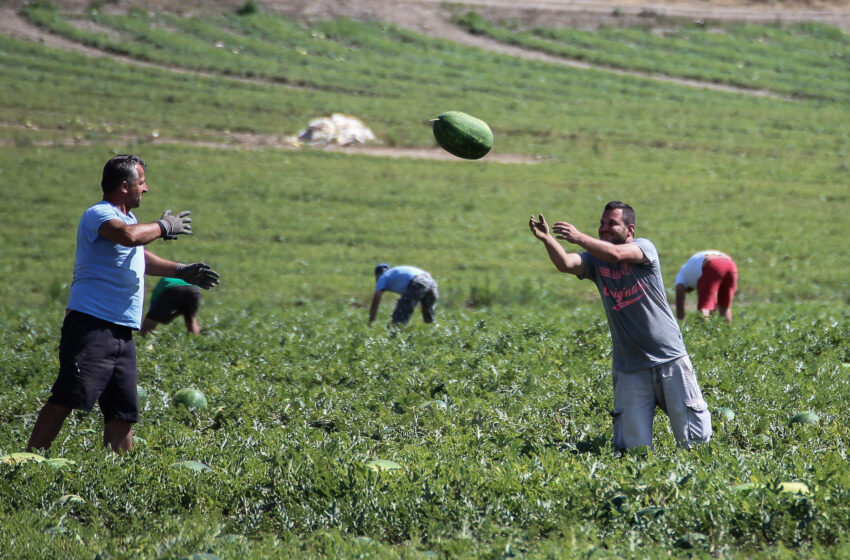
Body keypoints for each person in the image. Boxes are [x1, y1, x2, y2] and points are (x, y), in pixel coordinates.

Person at [26, 154, 219, 454]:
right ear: (125, 186)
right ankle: (29, 459)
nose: (146, 189)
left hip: (122, 332)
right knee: (68, 395)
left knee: (122, 411)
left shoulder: (128, 219)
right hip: (92, 325)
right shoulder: (99, 214)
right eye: (141, 183)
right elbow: (128, 237)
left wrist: (180, 270)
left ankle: (120, 474)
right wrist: (163, 226)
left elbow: (138, 257)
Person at [529, 201, 712, 451]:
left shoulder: (644, 248)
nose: (604, 228)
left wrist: (579, 236)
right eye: (602, 223)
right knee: (632, 451)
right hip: (630, 368)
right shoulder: (595, 261)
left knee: (695, 444)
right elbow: (566, 264)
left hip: (669, 360)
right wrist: (548, 240)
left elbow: (615, 254)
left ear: (630, 230)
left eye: (611, 223)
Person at [674, 251, 738, 325]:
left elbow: (679, 302)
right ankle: (728, 333)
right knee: (724, 307)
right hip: (730, 264)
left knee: (704, 307)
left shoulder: (680, 277)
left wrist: (681, 322)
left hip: (712, 264)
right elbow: (714, 300)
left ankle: (704, 334)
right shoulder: (690, 272)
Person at [369, 263, 438, 326]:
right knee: (429, 317)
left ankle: (395, 336)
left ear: (377, 275)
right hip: (430, 281)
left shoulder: (382, 277)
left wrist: (371, 321)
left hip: (417, 282)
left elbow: (375, 302)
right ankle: (436, 333)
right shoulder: (394, 273)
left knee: (399, 318)